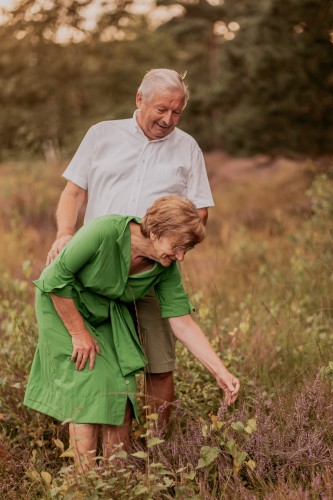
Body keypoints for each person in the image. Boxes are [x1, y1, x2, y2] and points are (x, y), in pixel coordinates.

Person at [46, 68, 215, 422]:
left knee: (159, 363)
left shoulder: (187, 148)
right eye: (161, 109)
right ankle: (101, 455)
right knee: (97, 361)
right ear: (140, 99)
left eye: (177, 112)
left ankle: (158, 451)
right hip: (97, 269)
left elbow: (199, 211)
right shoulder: (101, 135)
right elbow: (74, 192)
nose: (169, 119)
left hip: (151, 271)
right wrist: (65, 232)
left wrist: (165, 247)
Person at [25, 195, 240, 469]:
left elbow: (182, 321)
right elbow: (54, 280)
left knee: (122, 389)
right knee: (89, 385)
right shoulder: (104, 231)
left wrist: (221, 372)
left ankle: (117, 477)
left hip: (105, 312)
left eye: (186, 249)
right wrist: (79, 334)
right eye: (177, 246)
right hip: (63, 306)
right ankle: (83, 480)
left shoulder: (166, 267)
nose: (181, 256)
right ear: (154, 231)